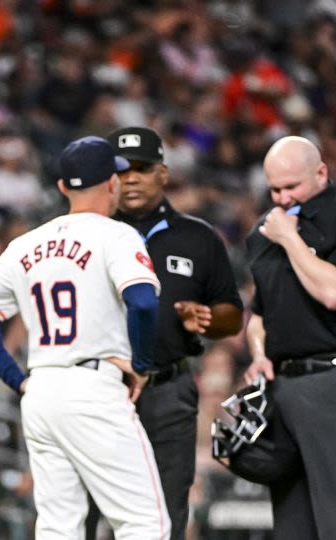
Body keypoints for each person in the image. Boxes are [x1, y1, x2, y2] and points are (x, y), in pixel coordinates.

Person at [0, 136, 170, 539]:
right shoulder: (116, 236)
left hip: (42, 389)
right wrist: (143, 365)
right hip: (93, 388)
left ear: (63, 187)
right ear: (113, 183)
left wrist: (17, 379)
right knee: (145, 522)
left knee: (59, 527)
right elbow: (144, 303)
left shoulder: (26, 244)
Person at [86, 126, 242, 540]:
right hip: (99, 386)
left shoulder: (198, 237)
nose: (131, 178)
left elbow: (232, 314)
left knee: (166, 508)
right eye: (122, 170)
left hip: (168, 389)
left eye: (142, 168)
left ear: (163, 173)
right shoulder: (87, 233)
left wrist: (207, 316)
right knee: (83, 509)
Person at [243, 136, 336, 539]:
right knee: (293, 527)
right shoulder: (263, 232)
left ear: (321, 172)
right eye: (275, 189)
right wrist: (259, 354)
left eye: (293, 186)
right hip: (283, 386)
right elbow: (258, 316)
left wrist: (290, 238)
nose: (284, 197)